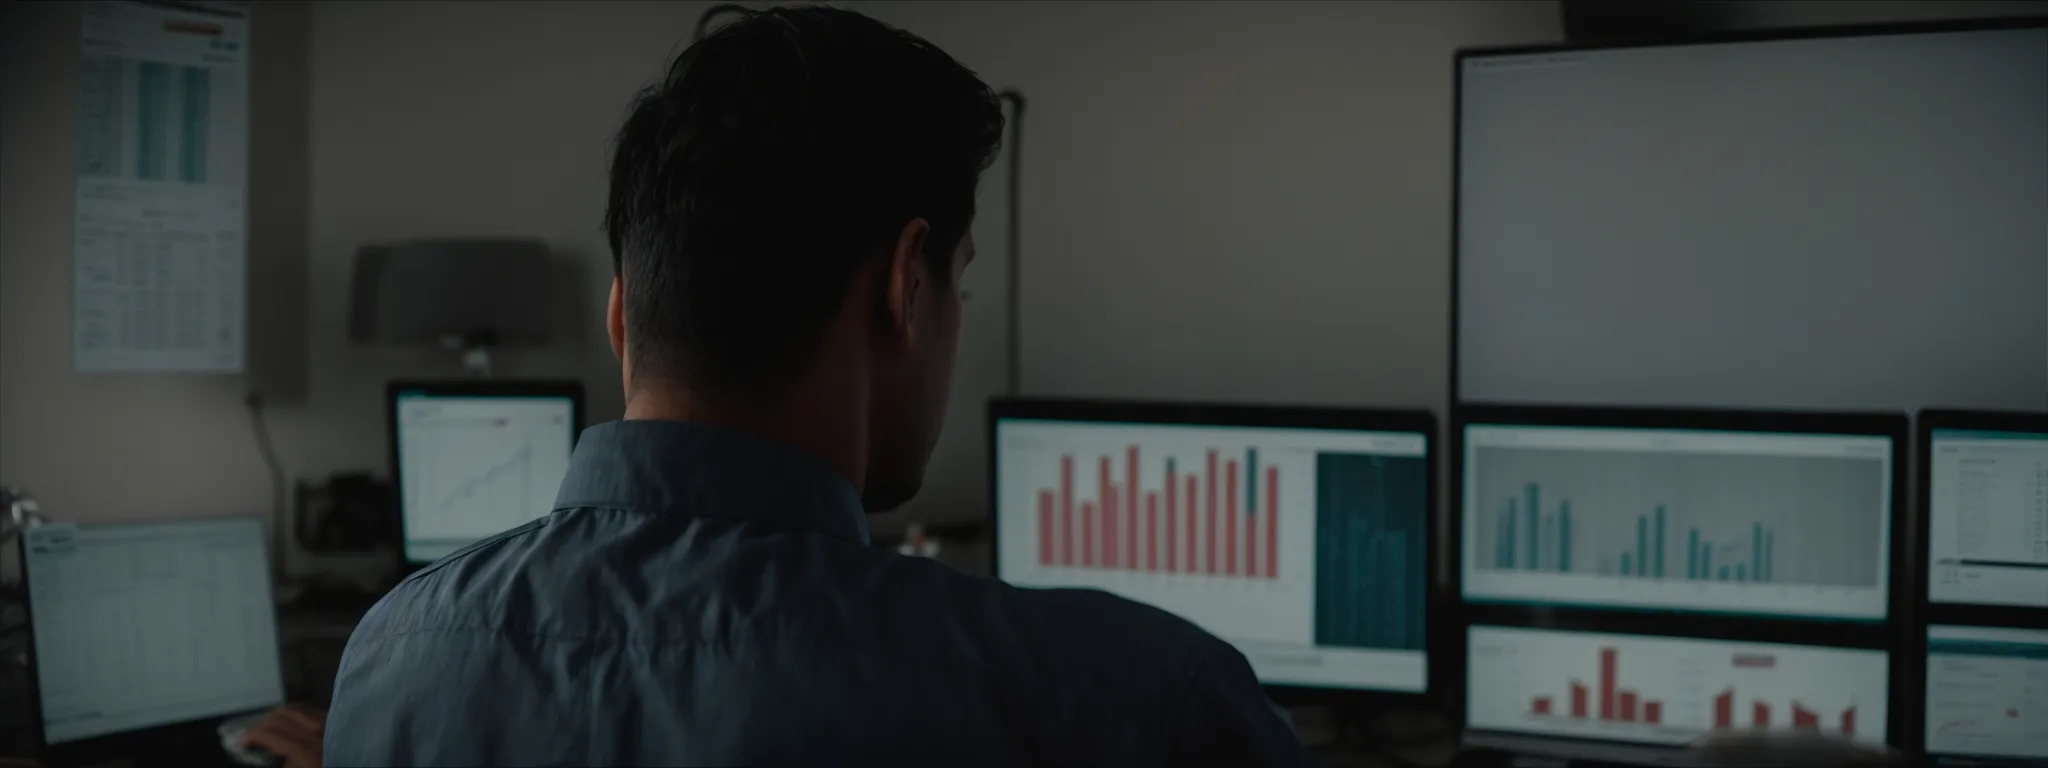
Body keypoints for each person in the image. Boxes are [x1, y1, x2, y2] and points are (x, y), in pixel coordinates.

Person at [325, 7, 1308, 766]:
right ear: (905, 286)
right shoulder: (1138, 704)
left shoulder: (394, 655)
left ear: (620, 315)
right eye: (957, 283)